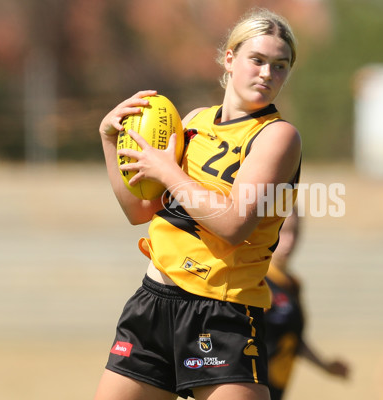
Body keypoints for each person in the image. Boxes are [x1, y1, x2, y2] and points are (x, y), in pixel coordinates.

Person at [95, 8, 301, 400]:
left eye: (280, 66)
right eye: (257, 60)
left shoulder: (278, 136)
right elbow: (139, 211)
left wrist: (168, 171)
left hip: (220, 313)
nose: (267, 74)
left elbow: (234, 224)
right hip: (152, 302)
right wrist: (109, 140)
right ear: (229, 58)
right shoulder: (191, 121)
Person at [264, 210, 350, 400]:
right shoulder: (257, 280)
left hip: (278, 391)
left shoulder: (293, 284)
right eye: (283, 231)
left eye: (295, 232)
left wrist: (325, 366)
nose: (290, 240)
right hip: (254, 387)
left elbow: (294, 338)